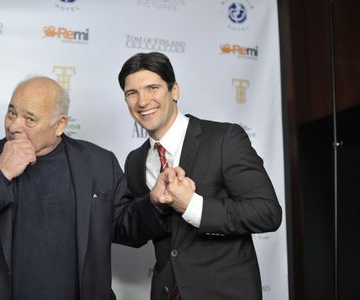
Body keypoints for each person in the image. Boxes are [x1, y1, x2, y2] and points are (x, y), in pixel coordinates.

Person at [0, 76, 187, 300]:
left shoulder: (99, 163)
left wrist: (153, 203)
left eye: (29, 119)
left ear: (60, 125)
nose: (13, 126)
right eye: (12, 112)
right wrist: (1, 173)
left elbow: (124, 228)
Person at [117, 52, 283, 300]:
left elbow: (267, 212)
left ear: (174, 91)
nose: (142, 101)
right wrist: (152, 203)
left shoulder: (224, 139)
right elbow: (132, 234)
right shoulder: (135, 161)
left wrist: (193, 206)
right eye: (132, 93)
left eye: (152, 88)